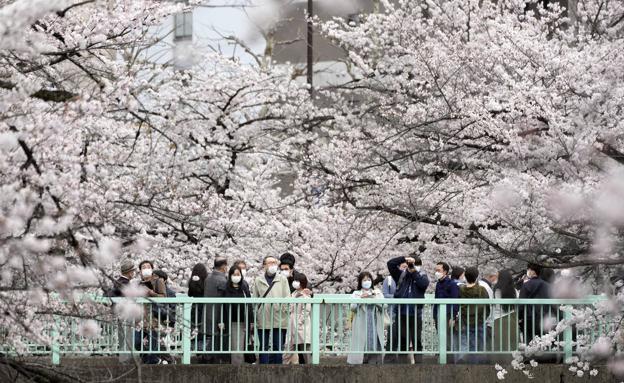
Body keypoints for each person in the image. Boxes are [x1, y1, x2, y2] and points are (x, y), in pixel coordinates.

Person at [387, 254, 429, 363]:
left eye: (415, 265)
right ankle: (402, 365)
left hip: (416, 313)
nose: (411, 267)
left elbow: (423, 284)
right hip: (401, 312)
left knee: (417, 340)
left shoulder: (422, 276)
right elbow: (390, 264)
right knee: (402, 340)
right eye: (410, 265)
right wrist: (404, 259)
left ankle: (419, 364)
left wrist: (414, 272)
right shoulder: (401, 275)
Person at [252, 255, 291, 364]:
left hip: (279, 316)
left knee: (278, 345)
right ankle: (263, 367)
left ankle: (278, 369)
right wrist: (255, 314)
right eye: (270, 263)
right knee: (263, 345)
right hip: (263, 316)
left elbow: (287, 297)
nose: (273, 265)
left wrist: (283, 310)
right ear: (264, 265)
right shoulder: (258, 280)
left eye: (274, 262)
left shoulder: (282, 279)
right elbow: (255, 299)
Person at [347, 271, 385, 365]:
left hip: (374, 322)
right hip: (360, 323)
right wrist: (361, 299)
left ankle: (374, 362)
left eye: (369, 279)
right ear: (360, 282)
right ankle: (361, 361)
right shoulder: (356, 293)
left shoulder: (377, 292)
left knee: (374, 342)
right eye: (364, 280)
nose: (367, 282)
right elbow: (352, 307)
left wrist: (374, 299)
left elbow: (385, 305)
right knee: (361, 343)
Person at [458, 266, 490, 364]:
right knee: (482, 345)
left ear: (465, 277)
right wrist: (484, 317)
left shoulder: (461, 290)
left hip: (466, 321)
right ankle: (481, 367)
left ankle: (473, 366)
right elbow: (487, 307)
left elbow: (459, 306)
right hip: (480, 321)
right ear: (476, 277)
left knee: (472, 346)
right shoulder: (482, 290)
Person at [518, 263, 551, 359]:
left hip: (528, 318)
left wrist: (519, 317)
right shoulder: (547, 286)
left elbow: (521, 304)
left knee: (529, 341)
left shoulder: (526, 285)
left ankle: (530, 360)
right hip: (544, 317)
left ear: (532, 271)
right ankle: (544, 359)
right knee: (543, 340)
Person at [222, 265, 253, 365]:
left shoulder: (244, 288)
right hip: (229, 321)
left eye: (238, 274)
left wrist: (251, 320)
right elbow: (221, 306)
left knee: (239, 346)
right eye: (234, 274)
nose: (236, 276)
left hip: (242, 322)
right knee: (231, 346)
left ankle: (238, 367)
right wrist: (221, 321)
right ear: (230, 275)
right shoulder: (225, 288)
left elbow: (249, 305)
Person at [137, 260, 166, 364]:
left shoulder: (159, 281)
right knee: (136, 341)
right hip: (141, 318)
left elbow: (163, 297)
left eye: (148, 267)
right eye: (143, 267)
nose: (146, 269)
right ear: (140, 271)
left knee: (153, 342)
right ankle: (148, 358)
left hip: (154, 317)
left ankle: (153, 361)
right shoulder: (139, 284)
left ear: (152, 269)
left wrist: (150, 292)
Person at [202, 256, 229, 364]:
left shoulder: (208, 278)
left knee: (211, 338)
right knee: (217, 339)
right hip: (218, 314)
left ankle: (207, 357)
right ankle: (210, 358)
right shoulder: (222, 280)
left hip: (207, 312)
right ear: (223, 266)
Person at [109, 260, 136, 364]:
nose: (133, 273)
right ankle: (125, 359)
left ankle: (124, 357)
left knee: (123, 335)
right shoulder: (124, 283)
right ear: (129, 272)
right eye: (133, 271)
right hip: (125, 312)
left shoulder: (119, 281)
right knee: (126, 336)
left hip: (120, 312)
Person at [433, 262, 460, 359]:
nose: (436, 272)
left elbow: (455, 302)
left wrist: (453, 317)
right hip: (438, 315)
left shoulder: (452, 284)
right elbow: (436, 300)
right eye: (436, 270)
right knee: (440, 335)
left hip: (448, 315)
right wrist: (434, 315)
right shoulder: (438, 284)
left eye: (438, 270)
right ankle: (442, 355)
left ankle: (448, 358)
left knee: (448, 337)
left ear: (445, 272)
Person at [285, 273, 313, 364]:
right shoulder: (293, 294)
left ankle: (311, 368)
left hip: (301, 325)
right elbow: (288, 306)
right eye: (294, 280)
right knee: (288, 349)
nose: (294, 282)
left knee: (305, 349)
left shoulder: (306, 296)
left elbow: (306, 311)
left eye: (296, 281)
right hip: (292, 323)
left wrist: (299, 322)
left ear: (301, 283)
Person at [492, 269, 518, 357]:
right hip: (511, 317)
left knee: (499, 344)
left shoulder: (497, 289)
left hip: (498, 318)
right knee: (512, 343)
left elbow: (496, 304)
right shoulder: (513, 290)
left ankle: (499, 363)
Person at [188, 263, 208, 356]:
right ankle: (202, 350)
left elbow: (190, 294)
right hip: (204, 306)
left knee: (194, 327)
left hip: (195, 306)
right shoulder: (206, 281)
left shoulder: (192, 281)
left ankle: (194, 349)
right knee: (203, 328)